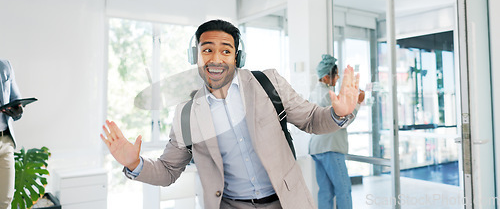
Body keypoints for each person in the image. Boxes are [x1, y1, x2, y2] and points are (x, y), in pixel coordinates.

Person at [101, 20, 360, 209]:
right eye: (207, 50)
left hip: (286, 202)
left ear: (238, 56)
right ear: (196, 56)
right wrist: (135, 164)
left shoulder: (268, 83)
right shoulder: (187, 113)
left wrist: (338, 113)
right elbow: (169, 170)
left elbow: (313, 119)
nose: (216, 58)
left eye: (226, 50)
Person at [308, 54, 365, 209]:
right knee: (343, 190)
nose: (339, 77)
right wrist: (358, 103)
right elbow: (342, 121)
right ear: (326, 78)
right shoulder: (328, 96)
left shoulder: (314, 93)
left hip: (316, 148)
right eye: (336, 74)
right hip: (330, 148)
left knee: (325, 191)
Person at [0, 60, 23, 209]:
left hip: (5, 140)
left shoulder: (5, 66)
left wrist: (17, 111)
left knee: (6, 201)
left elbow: (16, 101)